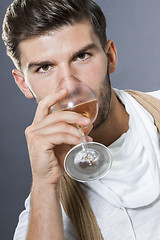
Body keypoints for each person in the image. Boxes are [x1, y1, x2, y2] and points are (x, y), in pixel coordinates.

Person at [2, 0, 160, 239]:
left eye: (82, 56)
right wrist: (44, 185)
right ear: (24, 84)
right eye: (45, 67)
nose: (69, 85)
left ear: (110, 56)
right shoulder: (48, 205)